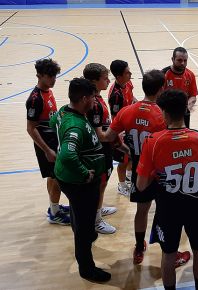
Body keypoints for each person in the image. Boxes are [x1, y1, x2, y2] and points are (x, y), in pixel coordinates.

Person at [136, 89, 198, 290]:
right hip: (196, 206)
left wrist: (157, 174)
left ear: (164, 112)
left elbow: (140, 186)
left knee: (168, 254)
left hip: (168, 208)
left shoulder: (153, 142)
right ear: (185, 110)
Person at [103, 70, 191, 267]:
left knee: (141, 211)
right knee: (164, 213)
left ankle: (139, 248)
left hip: (139, 170)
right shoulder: (163, 116)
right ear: (161, 89)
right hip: (160, 173)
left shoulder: (127, 111)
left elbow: (109, 137)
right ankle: (170, 252)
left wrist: (125, 148)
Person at [50, 78, 110, 282]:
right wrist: (85, 173)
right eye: (93, 97)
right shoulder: (75, 126)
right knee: (85, 225)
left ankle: (81, 229)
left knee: (78, 210)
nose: (95, 100)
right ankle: (87, 268)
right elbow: (68, 155)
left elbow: (52, 124)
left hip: (68, 178)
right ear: (84, 98)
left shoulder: (63, 111)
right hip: (79, 182)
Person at [26, 59, 70, 225]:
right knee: (57, 177)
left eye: (55, 76)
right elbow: (31, 128)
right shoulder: (35, 99)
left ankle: (54, 207)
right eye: (50, 76)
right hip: (46, 145)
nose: (54, 79)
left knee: (53, 177)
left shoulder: (48, 92)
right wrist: (47, 150)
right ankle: (54, 213)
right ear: (39, 75)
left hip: (53, 141)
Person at [83, 63, 118, 234]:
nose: (108, 80)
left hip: (105, 148)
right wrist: (117, 131)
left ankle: (98, 208)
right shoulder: (94, 103)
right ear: (94, 81)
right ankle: (96, 220)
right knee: (100, 184)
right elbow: (100, 135)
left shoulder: (98, 98)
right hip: (99, 151)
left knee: (102, 184)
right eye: (105, 78)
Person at [108, 59, 135, 196]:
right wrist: (121, 134)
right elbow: (115, 118)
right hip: (122, 131)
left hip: (131, 126)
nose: (130, 73)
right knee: (123, 160)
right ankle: (122, 185)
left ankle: (129, 177)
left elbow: (132, 98)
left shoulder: (128, 83)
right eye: (127, 72)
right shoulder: (116, 95)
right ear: (118, 76)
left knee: (131, 156)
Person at [162, 47, 198, 128]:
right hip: (168, 115)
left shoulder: (190, 75)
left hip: (184, 114)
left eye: (185, 61)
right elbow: (158, 96)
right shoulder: (164, 74)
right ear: (172, 59)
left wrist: (188, 106)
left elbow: (193, 96)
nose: (182, 63)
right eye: (179, 60)